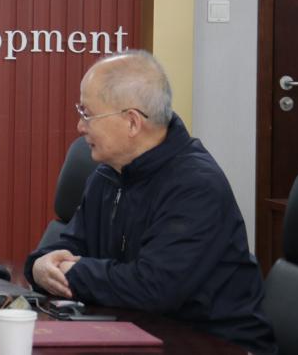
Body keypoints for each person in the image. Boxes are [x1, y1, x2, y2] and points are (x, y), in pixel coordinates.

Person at [24, 50, 276, 354]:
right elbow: (65, 247)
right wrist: (39, 266)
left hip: (213, 344)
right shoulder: (108, 175)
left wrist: (71, 273)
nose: (80, 126)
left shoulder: (196, 186)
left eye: (87, 114)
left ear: (132, 122)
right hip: (135, 333)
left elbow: (153, 288)